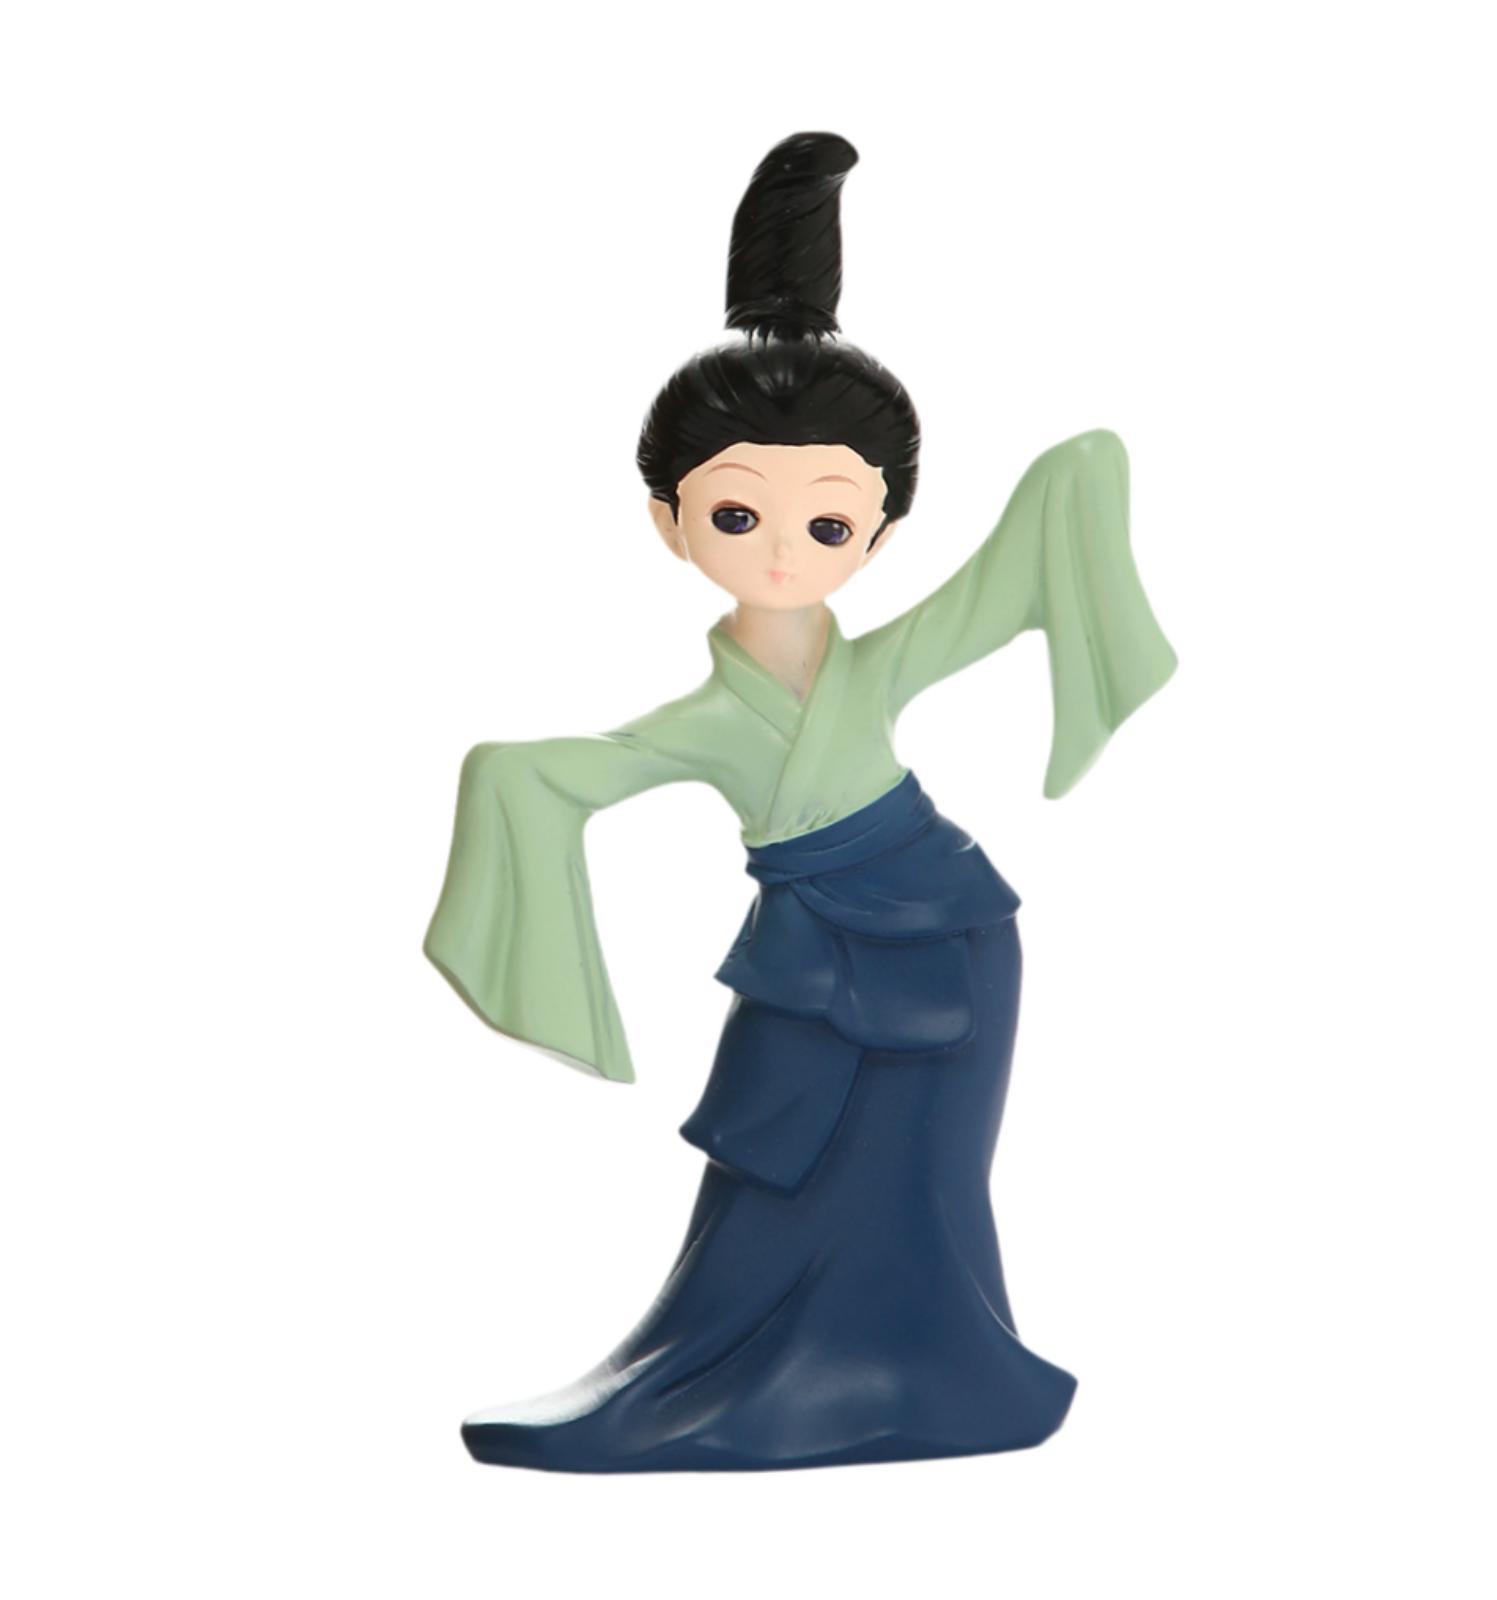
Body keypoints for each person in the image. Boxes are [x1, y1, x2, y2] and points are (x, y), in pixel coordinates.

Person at [424, 131, 1178, 1472]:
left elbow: (1032, 542)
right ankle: (722, 1373)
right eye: (736, 516)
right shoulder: (712, 717)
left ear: (877, 531)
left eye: (827, 525)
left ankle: (936, 1376)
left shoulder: (881, 665)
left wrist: (1080, 483)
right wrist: (512, 780)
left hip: (952, 926)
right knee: (771, 1155)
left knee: (928, 1174)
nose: (782, 550)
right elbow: (584, 769)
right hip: (812, 949)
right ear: (670, 521)